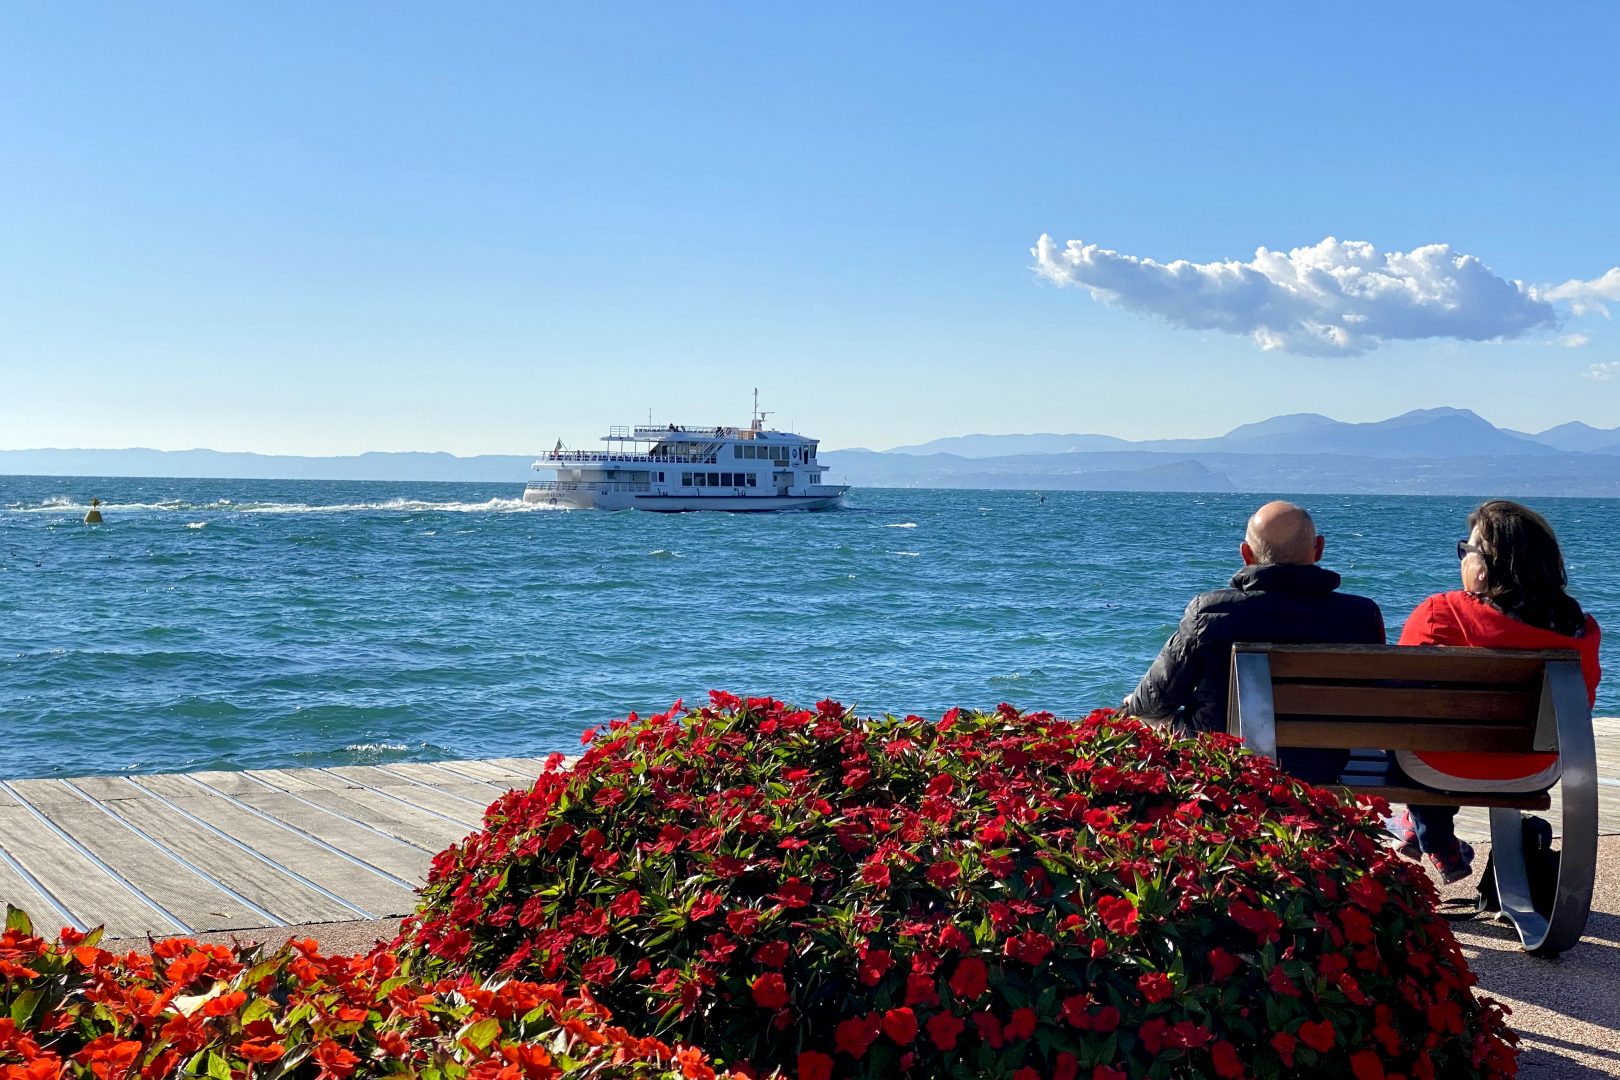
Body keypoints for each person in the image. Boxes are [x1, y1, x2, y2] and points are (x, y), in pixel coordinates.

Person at [1392, 500, 1601, 882]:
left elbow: (1400, 696)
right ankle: (1429, 833)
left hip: (1434, 768)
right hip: (1531, 770)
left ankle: (1424, 829)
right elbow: (1581, 704)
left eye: (1466, 551)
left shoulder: (1442, 612)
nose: (1461, 561)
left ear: (1486, 569)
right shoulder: (1579, 630)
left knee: (1417, 734)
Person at [1123, 500, 1386, 783]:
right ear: (1318, 549)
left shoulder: (1209, 612)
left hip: (1225, 761)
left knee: (1136, 717)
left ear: (1246, 554)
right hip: (1323, 764)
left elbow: (1149, 704)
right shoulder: (1361, 615)